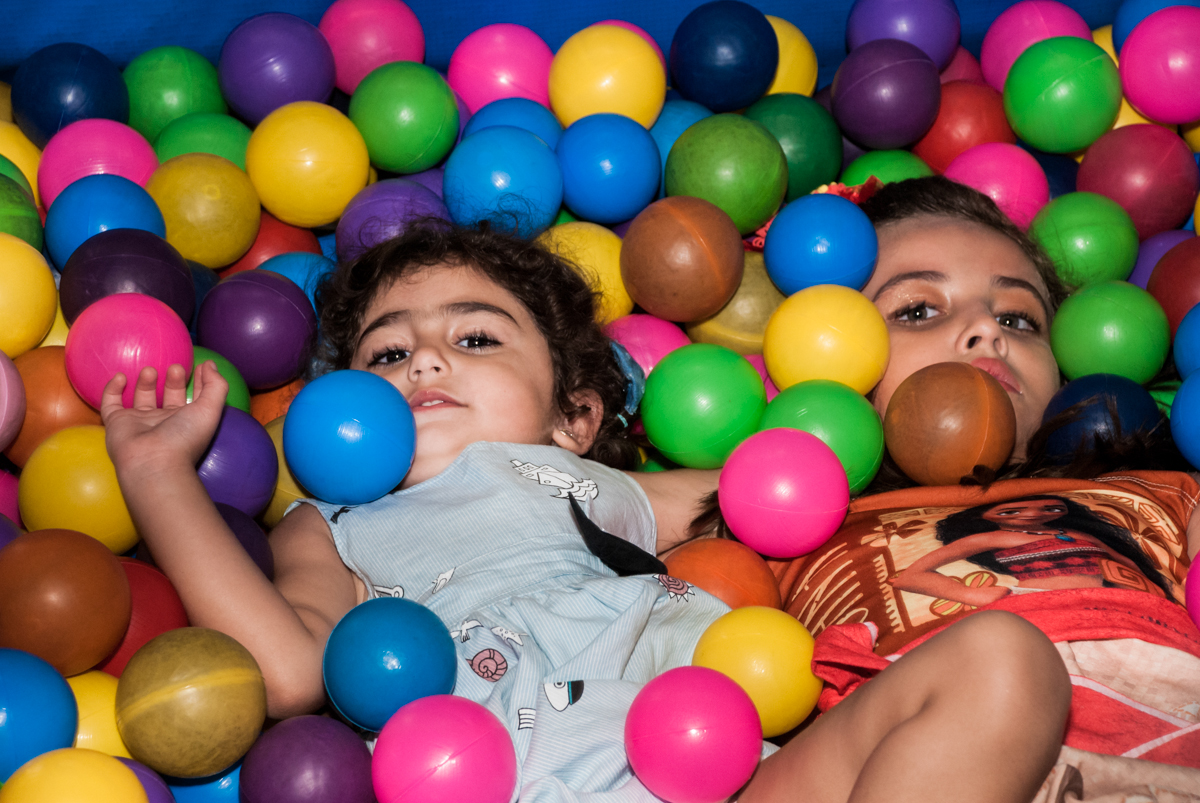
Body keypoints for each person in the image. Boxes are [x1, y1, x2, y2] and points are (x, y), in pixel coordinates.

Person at [103, 220, 1068, 803]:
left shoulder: (607, 494)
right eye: (387, 355)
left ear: (573, 418)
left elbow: (819, 490)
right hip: (500, 775)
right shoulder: (337, 522)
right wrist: (160, 477)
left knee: (1003, 662)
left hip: (730, 767)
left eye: (475, 337)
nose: (427, 360)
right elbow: (283, 669)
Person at [761, 177, 1200, 797]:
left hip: (1165, 751)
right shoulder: (786, 507)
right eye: (918, 310)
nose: (987, 332)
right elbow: (607, 506)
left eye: (1019, 318)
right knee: (999, 661)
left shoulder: (1155, 492)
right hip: (893, 752)